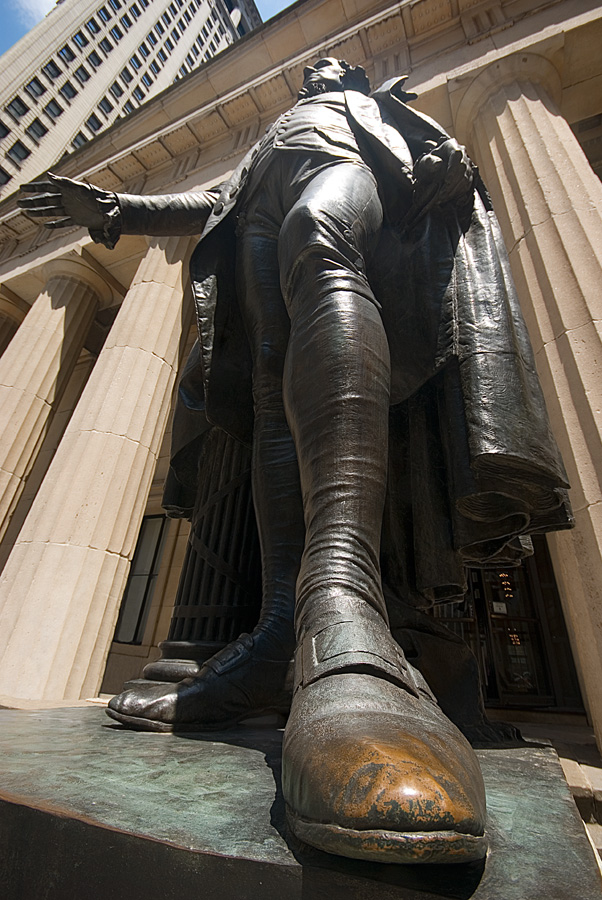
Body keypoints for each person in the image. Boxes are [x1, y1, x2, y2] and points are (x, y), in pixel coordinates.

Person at [19, 59, 571, 864]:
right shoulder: (269, 137)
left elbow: (431, 159)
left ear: (353, 75)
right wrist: (119, 209)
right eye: (313, 68)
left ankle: (341, 602)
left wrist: (446, 162)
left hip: (340, 183)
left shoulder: (369, 107)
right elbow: (216, 203)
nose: (319, 69)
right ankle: (283, 627)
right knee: (269, 386)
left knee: (320, 238)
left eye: (333, 65)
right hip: (257, 219)